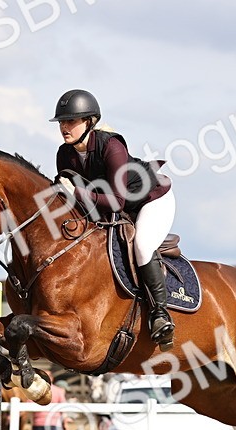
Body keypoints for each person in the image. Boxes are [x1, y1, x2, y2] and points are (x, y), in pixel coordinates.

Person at [51, 89, 176, 349]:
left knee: (142, 245)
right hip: (112, 208)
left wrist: (77, 193)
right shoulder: (64, 155)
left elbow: (117, 201)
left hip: (151, 199)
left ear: (90, 122)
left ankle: (160, 315)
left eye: (71, 121)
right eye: (62, 122)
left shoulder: (111, 146)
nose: (64, 127)